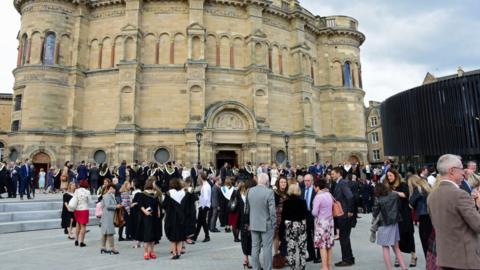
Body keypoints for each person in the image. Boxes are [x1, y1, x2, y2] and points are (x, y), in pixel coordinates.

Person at [427, 154, 480, 269]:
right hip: (465, 261)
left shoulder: (432, 196)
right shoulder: (460, 194)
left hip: (444, 259)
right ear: (451, 171)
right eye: (461, 169)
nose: (464, 172)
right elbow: (478, 225)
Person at [385, 168, 417, 267]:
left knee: (408, 234)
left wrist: (394, 192)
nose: (389, 178)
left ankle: (413, 256)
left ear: (395, 175)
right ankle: (397, 257)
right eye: (388, 176)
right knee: (396, 236)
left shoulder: (402, 185)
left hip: (404, 213)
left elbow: (405, 195)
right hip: (393, 214)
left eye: (390, 175)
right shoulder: (387, 186)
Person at [372, 183, 408, 270]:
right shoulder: (394, 195)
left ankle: (389, 268)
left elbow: (375, 213)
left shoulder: (378, 199)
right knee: (396, 247)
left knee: (385, 247)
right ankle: (404, 267)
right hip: (394, 223)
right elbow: (399, 207)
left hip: (384, 224)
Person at [246, 173, 275, 270]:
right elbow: (272, 211)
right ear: (267, 182)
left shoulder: (249, 191)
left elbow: (247, 209)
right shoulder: (269, 192)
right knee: (267, 248)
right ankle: (267, 268)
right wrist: (274, 223)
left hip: (254, 223)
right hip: (266, 224)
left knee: (255, 248)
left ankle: (256, 268)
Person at [331, 167, 355, 267]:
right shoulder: (339, 183)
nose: (331, 175)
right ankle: (349, 258)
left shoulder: (342, 183)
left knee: (344, 238)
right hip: (342, 213)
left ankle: (346, 259)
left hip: (344, 214)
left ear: (338, 174)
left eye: (333, 174)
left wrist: (350, 211)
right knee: (345, 238)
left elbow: (350, 196)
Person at [280, 183, 308, 270]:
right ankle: (302, 267)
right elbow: (305, 215)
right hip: (301, 226)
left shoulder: (286, 202)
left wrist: (282, 230)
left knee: (291, 249)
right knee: (302, 249)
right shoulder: (303, 202)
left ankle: (292, 267)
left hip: (290, 226)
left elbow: (283, 216)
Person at [408, 174, 433, 258]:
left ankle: (429, 264)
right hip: (432, 216)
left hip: (423, 218)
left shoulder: (417, 189)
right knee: (432, 243)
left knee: (425, 243)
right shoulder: (428, 186)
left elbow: (411, 204)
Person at [136, 178, 162, 260]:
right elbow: (140, 205)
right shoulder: (143, 194)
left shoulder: (155, 194)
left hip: (154, 216)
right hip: (146, 217)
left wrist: (158, 211)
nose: (155, 184)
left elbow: (157, 203)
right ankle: (146, 252)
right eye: (154, 183)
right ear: (150, 184)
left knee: (153, 234)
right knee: (148, 234)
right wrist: (145, 212)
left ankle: (152, 251)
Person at [312, 178, 334, 270]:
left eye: (314, 186)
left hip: (321, 223)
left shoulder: (318, 196)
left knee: (322, 246)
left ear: (317, 187)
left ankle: (324, 267)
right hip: (330, 221)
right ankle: (329, 266)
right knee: (328, 245)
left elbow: (314, 212)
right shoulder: (329, 194)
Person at [163, 178, 187, 259]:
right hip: (181, 217)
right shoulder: (184, 193)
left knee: (173, 238)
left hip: (171, 217)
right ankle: (179, 253)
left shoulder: (169, 193)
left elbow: (164, 205)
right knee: (180, 237)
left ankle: (174, 254)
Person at [301, 174, 320, 263]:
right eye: (305, 181)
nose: (307, 182)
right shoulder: (301, 190)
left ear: (312, 181)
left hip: (315, 215)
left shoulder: (316, 191)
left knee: (317, 235)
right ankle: (311, 255)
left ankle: (319, 256)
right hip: (306, 215)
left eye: (308, 180)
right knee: (307, 236)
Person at [100, 183, 121, 255]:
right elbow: (108, 206)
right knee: (110, 233)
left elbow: (103, 205)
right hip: (108, 216)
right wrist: (116, 206)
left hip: (107, 216)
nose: (115, 190)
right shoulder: (107, 196)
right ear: (110, 188)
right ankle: (112, 248)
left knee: (105, 233)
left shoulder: (108, 196)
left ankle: (103, 247)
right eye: (113, 188)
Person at [237, 179, 253, 269]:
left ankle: (245, 259)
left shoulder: (237, 194)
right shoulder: (249, 195)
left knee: (244, 239)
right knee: (250, 240)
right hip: (249, 220)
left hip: (241, 221)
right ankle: (248, 259)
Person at [71, 180, 92, 247]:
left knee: (77, 225)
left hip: (77, 209)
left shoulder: (76, 191)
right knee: (83, 226)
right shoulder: (87, 192)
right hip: (84, 209)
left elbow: (74, 199)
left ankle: (76, 240)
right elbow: (90, 201)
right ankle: (81, 242)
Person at [273, 176, 288, 256]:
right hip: (277, 217)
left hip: (286, 217)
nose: (283, 184)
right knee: (276, 236)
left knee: (285, 236)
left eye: (285, 182)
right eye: (281, 182)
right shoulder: (275, 193)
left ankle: (284, 254)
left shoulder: (288, 193)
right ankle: (276, 254)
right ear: (278, 183)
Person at [194, 172, 211, 242]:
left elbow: (206, 198)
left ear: (201, 178)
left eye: (198, 177)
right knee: (200, 222)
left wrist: (202, 207)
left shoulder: (205, 186)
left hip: (204, 206)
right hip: (203, 205)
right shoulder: (205, 185)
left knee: (203, 222)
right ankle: (195, 236)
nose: (198, 179)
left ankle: (207, 236)